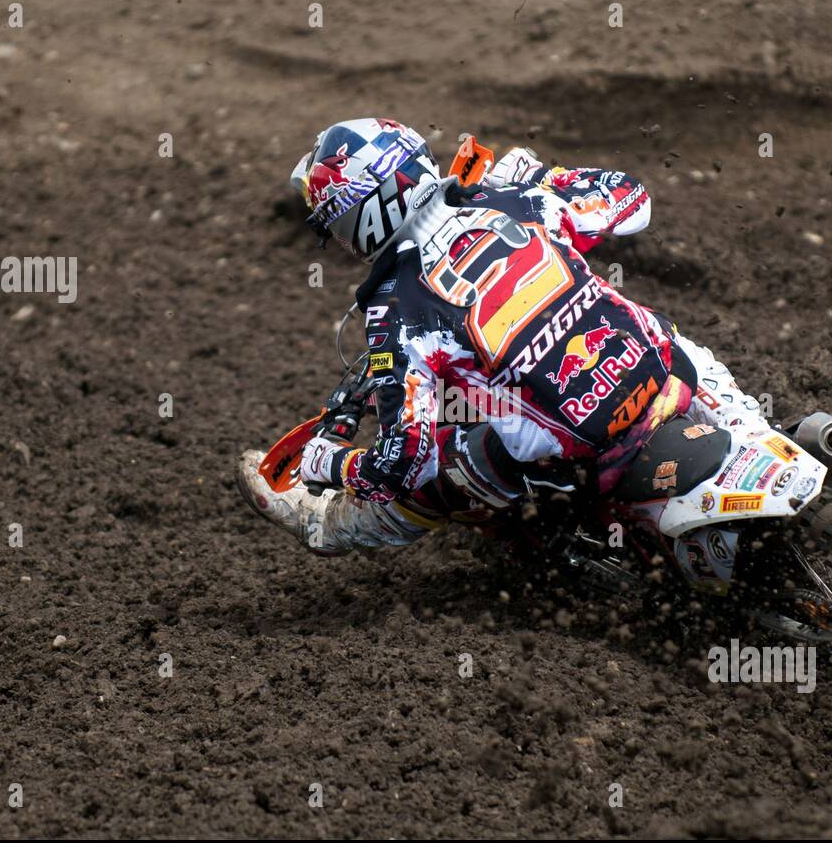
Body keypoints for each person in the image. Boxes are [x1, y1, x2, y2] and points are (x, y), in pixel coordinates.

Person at [238, 117, 768, 554]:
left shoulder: (394, 312)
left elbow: (405, 460)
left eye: (334, 223)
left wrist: (327, 462)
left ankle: (319, 522)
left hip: (577, 462)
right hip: (666, 377)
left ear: (361, 214)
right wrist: (550, 179)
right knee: (668, 336)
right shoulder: (515, 197)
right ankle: (762, 439)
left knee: (445, 467)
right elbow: (633, 201)